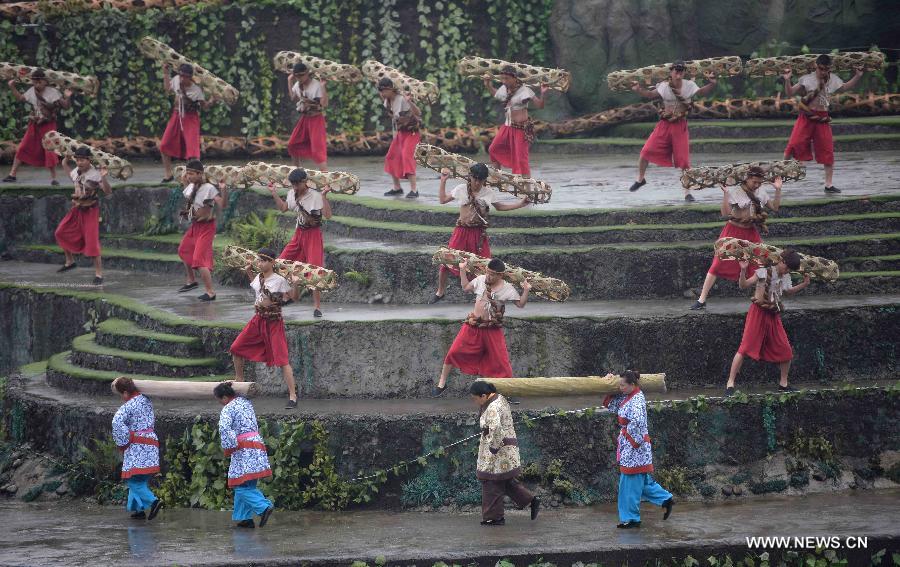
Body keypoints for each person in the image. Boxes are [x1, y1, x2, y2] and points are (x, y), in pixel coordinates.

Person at [429, 164, 529, 304]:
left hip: (478, 234)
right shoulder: (461, 189)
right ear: (470, 176)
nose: (476, 182)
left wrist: (521, 204)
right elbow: (442, 200)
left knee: (486, 266)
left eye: (480, 180)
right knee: (446, 261)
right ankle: (440, 292)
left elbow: (500, 207)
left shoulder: (488, 193)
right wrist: (443, 180)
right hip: (461, 231)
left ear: (484, 180)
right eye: (474, 178)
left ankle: (489, 296)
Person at [433, 258, 530, 397]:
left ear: (500, 275)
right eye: (488, 272)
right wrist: (462, 270)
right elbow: (466, 287)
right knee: (454, 351)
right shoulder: (480, 280)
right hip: (473, 326)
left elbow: (520, 304)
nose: (489, 276)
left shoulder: (507, 288)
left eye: (492, 274)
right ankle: (442, 383)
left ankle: (509, 392)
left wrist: (526, 290)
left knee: (502, 362)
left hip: (492, 329)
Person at [690, 167, 783, 310]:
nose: (757, 185)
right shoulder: (737, 192)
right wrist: (726, 195)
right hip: (732, 231)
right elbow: (725, 213)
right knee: (717, 264)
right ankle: (702, 299)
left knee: (762, 264)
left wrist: (778, 190)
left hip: (751, 233)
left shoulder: (761, 192)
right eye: (754, 182)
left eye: (759, 182)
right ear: (747, 178)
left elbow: (775, 208)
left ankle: (763, 299)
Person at [628, 60, 718, 202]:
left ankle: (687, 192)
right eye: (676, 70)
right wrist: (638, 89)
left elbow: (701, 92)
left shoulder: (689, 85)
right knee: (646, 151)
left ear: (684, 72)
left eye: (681, 70)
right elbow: (650, 95)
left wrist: (712, 83)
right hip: (665, 124)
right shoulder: (664, 86)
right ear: (671, 71)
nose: (678, 72)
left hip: (679, 125)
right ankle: (640, 179)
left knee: (684, 161)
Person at [725, 249, 811, 395]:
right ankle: (730, 383)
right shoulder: (763, 272)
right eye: (787, 267)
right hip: (757, 313)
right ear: (781, 261)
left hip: (773, 314)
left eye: (790, 269)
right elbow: (743, 285)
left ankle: (783, 384)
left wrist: (804, 284)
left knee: (786, 350)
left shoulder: (785, 276)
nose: (787, 271)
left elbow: (788, 291)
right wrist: (743, 270)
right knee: (744, 347)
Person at [230, 247, 301, 409]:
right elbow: (255, 286)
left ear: (272, 262)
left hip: (274, 322)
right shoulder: (259, 278)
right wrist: (248, 272)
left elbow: (294, 297)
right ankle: (239, 380)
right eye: (259, 260)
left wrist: (296, 284)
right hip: (257, 320)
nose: (260, 263)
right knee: (235, 348)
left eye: (263, 261)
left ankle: (293, 395)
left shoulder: (279, 280)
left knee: (283, 360)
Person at [783, 54, 865, 194]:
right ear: (816, 66)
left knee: (827, 149)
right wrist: (787, 79)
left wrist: (858, 76)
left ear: (829, 69)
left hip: (822, 118)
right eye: (821, 69)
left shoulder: (832, 79)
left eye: (826, 70)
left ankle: (828, 184)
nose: (823, 72)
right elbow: (790, 93)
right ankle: (780, 174)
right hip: (807, 117)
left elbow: (844, 88)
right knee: (794, 144)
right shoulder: (807, 78)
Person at [602, 370, 673, 529]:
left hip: (635, 446)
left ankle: (631, 518)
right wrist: (608, 383)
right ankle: (665, 499)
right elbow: (615, 405)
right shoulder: (630, 396)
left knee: (628, 484)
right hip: (633, 444)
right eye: (618, 385)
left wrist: (629, 438)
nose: (620, 388)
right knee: (640, 482)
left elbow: (639, 423)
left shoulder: (637, 400)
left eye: (622, 385)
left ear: (632, 385)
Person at [470, 380, 540, 526]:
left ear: (483, 395)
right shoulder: (499, 398)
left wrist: (493, 449)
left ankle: (494, 517)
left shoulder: (493, 407)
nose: (474, 401)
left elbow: (495, 429)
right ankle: (530, 500)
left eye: (475, 398)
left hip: (498, 450)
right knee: (504, 480)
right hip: (507, 448)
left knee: (491, 482)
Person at [269, 168, 332, 317]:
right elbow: (284, 208)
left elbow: (328, 215)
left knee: (314, 271)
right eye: (293, 185)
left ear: (305, 182)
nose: (295, 187)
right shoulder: (292, 193)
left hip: (313, 236)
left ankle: (317, 307)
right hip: (299, 234)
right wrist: (273, 193)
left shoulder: (315, 195)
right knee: (281, 263)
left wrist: (324, 196)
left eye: (297, 184)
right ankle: (288, 296)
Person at [214, 382, 274, 529]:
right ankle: (244, 518)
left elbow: (224, 428)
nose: (220, 403)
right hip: (256, 444)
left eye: (220, 400)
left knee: (239, 485)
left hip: (243, 447)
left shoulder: (228, 408)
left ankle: (263, 507)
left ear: (225, 397)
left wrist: (228, 448)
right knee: (248, 483)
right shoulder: (245, 402)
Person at [54, 146, 112, 285]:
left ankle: (99, 275)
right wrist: (64, 164)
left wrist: (104, 178)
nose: (79, 162)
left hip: (91, 211)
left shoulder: (96, 174)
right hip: (77, 209)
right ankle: (70, 261)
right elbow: (72, 177)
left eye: (82, 160)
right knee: (60, 232)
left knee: (92, 243)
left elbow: (108, 191)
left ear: (89, 160)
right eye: (77, 160)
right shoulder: (76, 171)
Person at [3, 68, 72, 185]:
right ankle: (12, 174)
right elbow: (21, 98)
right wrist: (12, 87)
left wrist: (67, 96)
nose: (37, 84)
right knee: (23, 147)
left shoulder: (53, 92)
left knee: (49, 150)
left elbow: (66, 106)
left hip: (48, 124)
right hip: (35, 123)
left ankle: (54, 178)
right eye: (35, 82)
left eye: (39, 82)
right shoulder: (32, 91)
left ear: (45, 81)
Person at [111, 377, 163, 521]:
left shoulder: (128, 406)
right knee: (139, 479)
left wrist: (123, 442)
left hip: (137, 445)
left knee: (132, 480)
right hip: (151, 443)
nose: (122, 398)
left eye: (122, 394)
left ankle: (153, 502)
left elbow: (116, 422)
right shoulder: (146, 400)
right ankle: (138, 510)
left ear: (126, 392)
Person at [485, 66, 548, 177]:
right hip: (507, 127)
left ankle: (526, 186)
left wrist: (543, 93)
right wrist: (488, 85)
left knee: (521, 159)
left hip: (521, 129)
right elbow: (496, 93)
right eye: (502, 78)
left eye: (507, 78)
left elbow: (540, 105)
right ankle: (498, 177)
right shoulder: (504, 89)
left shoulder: (525, 90)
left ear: (515, 78)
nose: (504, 81)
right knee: (493, 149)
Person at [176, 160, 225, 301]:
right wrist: (187, 213)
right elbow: (192, 202)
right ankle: (191, 281)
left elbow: (222, 204)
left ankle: (210, 292)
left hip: (207, 228)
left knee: (199, 260)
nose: (188, 176)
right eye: (187, 173)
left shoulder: (209, 188)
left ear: (200, 174)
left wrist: (223, 189)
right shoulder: (192, 186)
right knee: (183, 250)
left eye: (191, 173)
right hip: (195, 226)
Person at [159, 63, 212, 183]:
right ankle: (168, 174)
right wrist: (166, 74)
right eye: (180, 75)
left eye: (185, 76)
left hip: (190, 118)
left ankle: (195, 179)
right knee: (164, 145)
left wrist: (213, 99)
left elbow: (205, 106)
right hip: (176, 116)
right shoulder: (177, 80)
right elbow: (168, 89)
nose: (182, 78)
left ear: (190, 77)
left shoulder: (196, 89)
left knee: (193, 152)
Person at [378, 77, 422, 198]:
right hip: (401, 134)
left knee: (407, 157)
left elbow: (418, 113)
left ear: (391, 89)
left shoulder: (402, 98)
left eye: (383, 90)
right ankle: (397, 188)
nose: (382, 93)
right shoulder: (388, 100)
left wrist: (410, 102)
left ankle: (414, 190)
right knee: (391, 157)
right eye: (380, 91)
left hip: (412, 133)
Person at [287, 63, 329, 170]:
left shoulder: (316, 85)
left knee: (317, 151)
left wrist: (323, 86)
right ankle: (297, 173)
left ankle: (325, 178)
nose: (299, 78)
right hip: (305, 119)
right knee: (292, 144)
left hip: (316, 119)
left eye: (301, 75)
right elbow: (292, 97)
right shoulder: (297, 84)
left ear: (307, 73)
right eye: (296, 76)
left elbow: (324, 104)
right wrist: (289, 80)